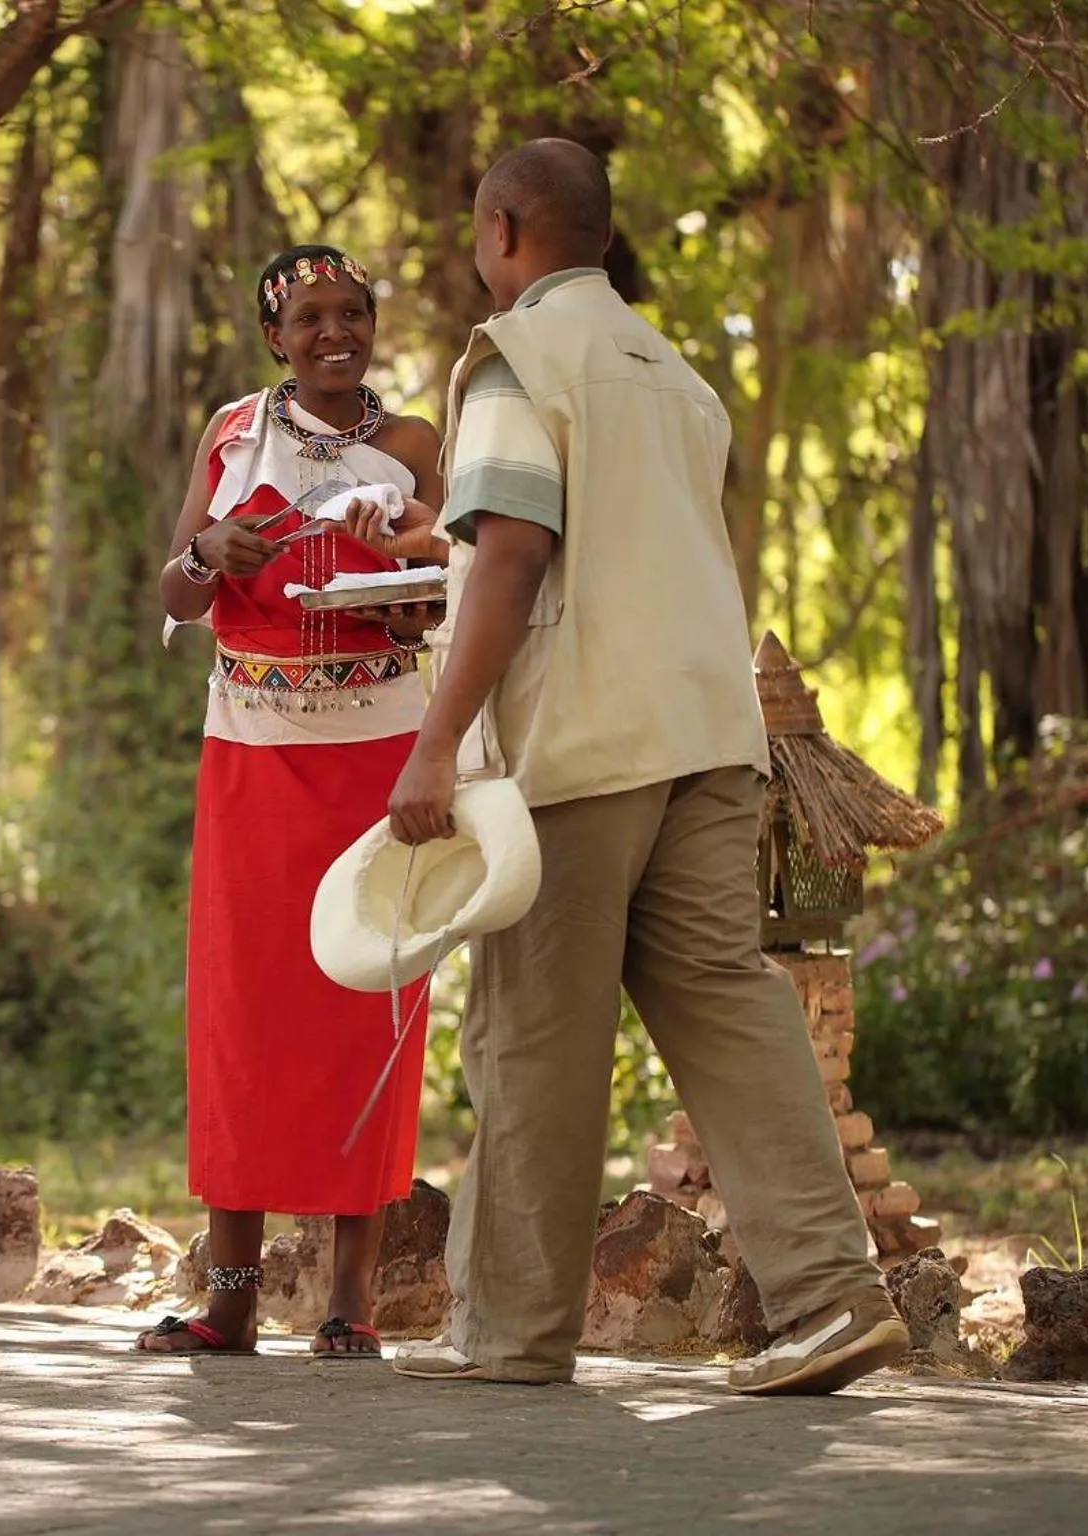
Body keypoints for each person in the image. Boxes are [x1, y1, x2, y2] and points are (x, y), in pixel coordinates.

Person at [381, 141, 910, 1393]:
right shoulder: (673, 373)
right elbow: (600, 544)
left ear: (502, 230)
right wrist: (447, 546)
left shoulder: (516, 356)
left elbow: (516, 555)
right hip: (708, 736)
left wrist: (434, 740)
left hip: (582, 743)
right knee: (731, 1006)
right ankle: (835, 1300)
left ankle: (512, 1336)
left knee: (531, 1033)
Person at [138, 246, 445, 1359]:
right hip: (252, 752)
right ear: (274, 335)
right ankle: (229, 1299)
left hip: (376, 756)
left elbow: (432, 599)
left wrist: (396, 577)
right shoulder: (231, 435)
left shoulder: (410, 443)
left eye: (351, 312)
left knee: (366, 1003)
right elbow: (175, 590)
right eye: (309, 317)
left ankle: (348, 1301)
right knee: (244, 1014)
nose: (333, 332)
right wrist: (207, 552)